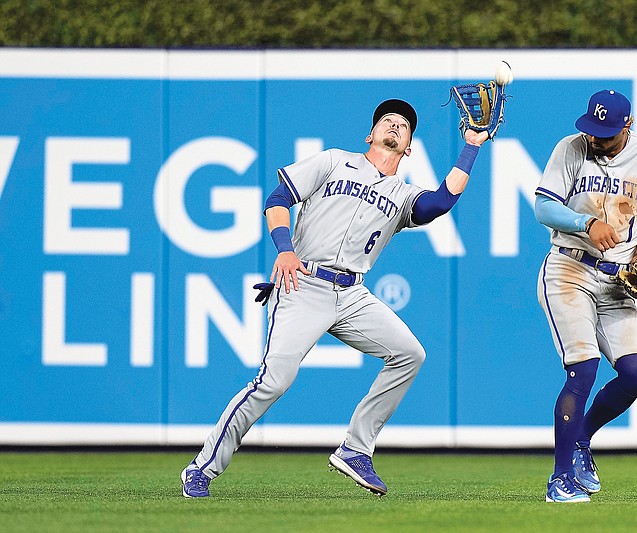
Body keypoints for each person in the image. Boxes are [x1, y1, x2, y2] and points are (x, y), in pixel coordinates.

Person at [181, 98, 491, 498]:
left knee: (409, 354)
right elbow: (277, 200)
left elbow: (441, 201)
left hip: (351, 293)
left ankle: (355, 449)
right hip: (303, 282)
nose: (395, 126)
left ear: (410, 147)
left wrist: (473, 145)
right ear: (371, 134)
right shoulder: (332, 162)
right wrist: (284, 249)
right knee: (272, 382)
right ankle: (202, 467)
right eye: (387, 122)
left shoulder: (402, 193)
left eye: (403, 126)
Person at [534, 90, 637, 503]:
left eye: (607, 133)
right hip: (569, 267)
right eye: (593, 130)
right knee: (584, 369)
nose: (596, 138)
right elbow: (544, 207)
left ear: (628, 126)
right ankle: (560, 479)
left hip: (616, 279)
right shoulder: (571, 147)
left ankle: (580, 438)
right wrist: (586, 222)